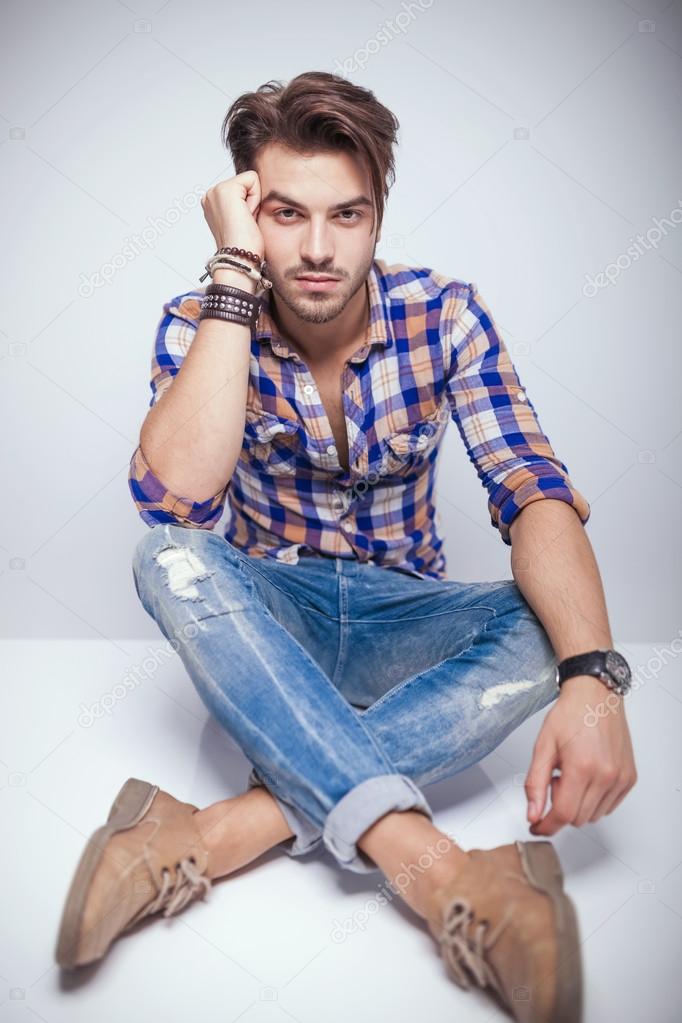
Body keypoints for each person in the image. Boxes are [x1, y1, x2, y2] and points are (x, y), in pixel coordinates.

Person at [55, 71, 637, 1021]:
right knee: (164, 556)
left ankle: (216, 831)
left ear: (379, 215)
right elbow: (178, 497)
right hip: (269, 610)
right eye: (286, 214)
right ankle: (443, 873)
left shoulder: (445, 314)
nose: (319, 249)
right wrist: (234, 280)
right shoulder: (201, 320)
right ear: (245, 208)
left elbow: (530, 485)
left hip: (401, 611)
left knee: (550, 631)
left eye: (347, 215)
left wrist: (594, 678)